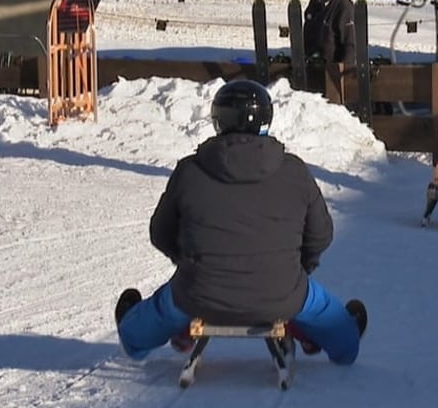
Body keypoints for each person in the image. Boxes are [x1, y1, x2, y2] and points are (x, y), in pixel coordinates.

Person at [114, 80, 366, 364]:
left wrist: (190, 261)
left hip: (199, 292)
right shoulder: (294, 171)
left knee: (158, 313)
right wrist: (300, 267)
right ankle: (333, 336)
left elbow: (160, 233)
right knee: (328, 318)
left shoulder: (190, 171)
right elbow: (321, 234)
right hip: (282, 292)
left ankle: (142, 331)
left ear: (218, 121)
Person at [302, 0, 356, 65]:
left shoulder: (343, 6)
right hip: (311, 63)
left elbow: (349, 44)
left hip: (331, 69)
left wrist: (344, 72)